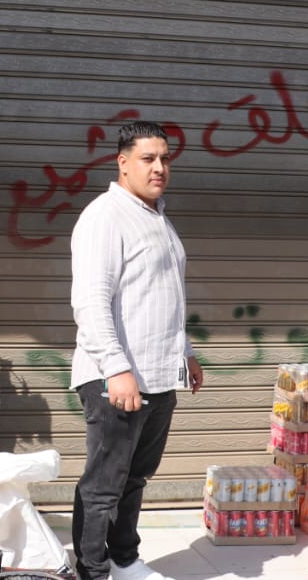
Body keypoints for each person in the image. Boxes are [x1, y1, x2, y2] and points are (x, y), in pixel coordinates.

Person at [69, 120, 203, 580]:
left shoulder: (158, 218)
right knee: (104, 485)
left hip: (158, 375)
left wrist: (185, 353)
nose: (159, 167)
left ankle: (125, 560)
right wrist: (116, 369)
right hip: (118, 377)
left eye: (165, 158)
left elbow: (165, 296)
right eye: (148, 158)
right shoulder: (105, 216)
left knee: (134, 479)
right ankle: (92, 571)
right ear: (123, 163)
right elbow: (90, 301)